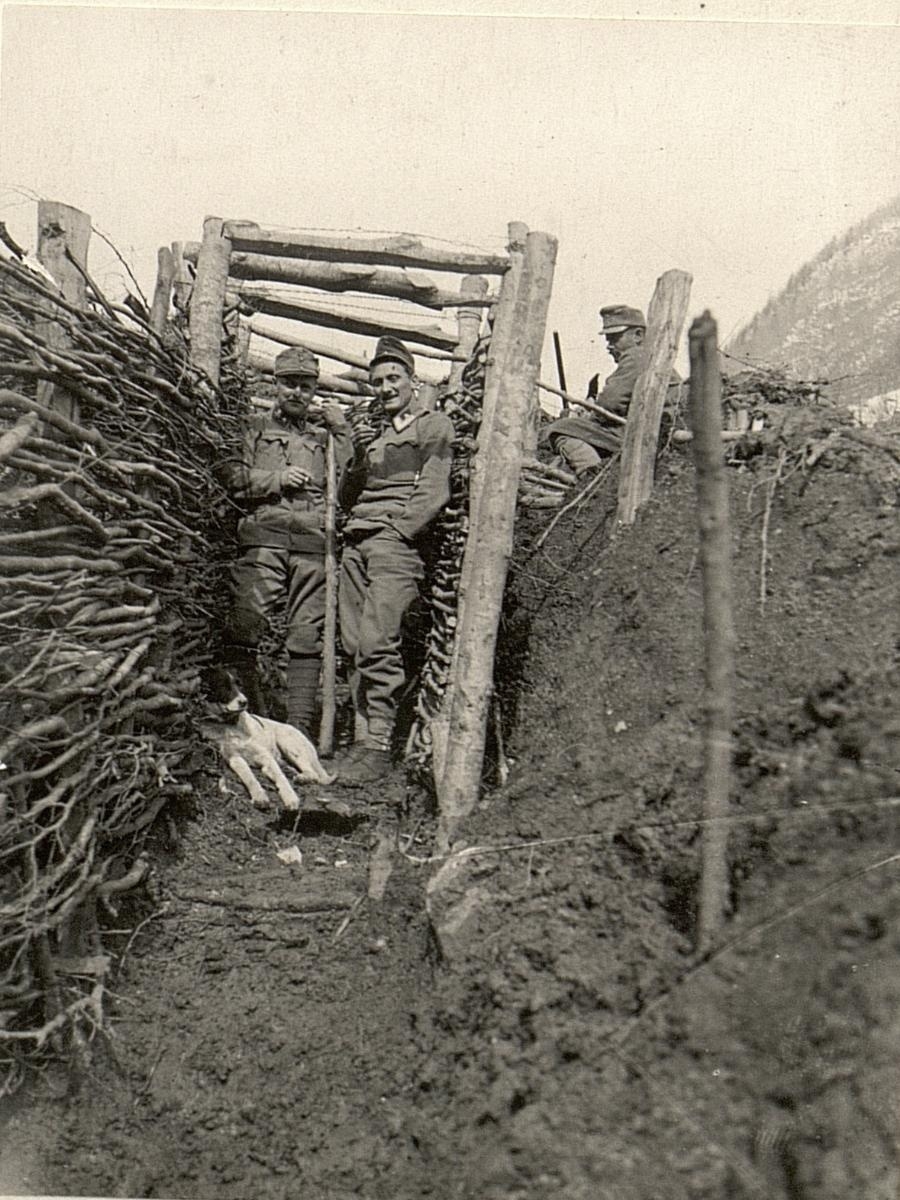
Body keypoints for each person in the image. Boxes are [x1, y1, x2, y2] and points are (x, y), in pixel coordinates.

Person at [336, 336, 454, 786]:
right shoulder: (376, 434)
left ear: (412, 380)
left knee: (377, 641)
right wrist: (358, 458)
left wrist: (399, 532)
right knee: (352, 644)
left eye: (393, 378)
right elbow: (348, 497)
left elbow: (435, 489)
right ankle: (363, 739)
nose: (385, 388)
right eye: (378, 382)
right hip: (357, 541)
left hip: (393, 545)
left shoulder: (431, 424)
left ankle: (379, 745)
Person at [222, 346, 350, 737]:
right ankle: (248, 719)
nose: (296, 392)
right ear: (276, 384)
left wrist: (342, 431)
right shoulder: (253, 427)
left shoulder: (325, 438)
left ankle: (299, 727)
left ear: (314, 390)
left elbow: (348, 483)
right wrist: (277, 479)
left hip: (312, 544)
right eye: (289, 384)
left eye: (305, 386)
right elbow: (232, 476)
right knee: (245, 621)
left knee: (307, 633)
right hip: (264, 539)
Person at [544, 305, 671, 477]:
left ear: (638, 335)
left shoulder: (636, 357)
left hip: (643, 435)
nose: (609, 346)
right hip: (651, 430)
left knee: (562, 428)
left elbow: (609, 403)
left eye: (614, 338)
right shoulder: (652, 357)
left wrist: (587, 416)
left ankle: (592, 474)